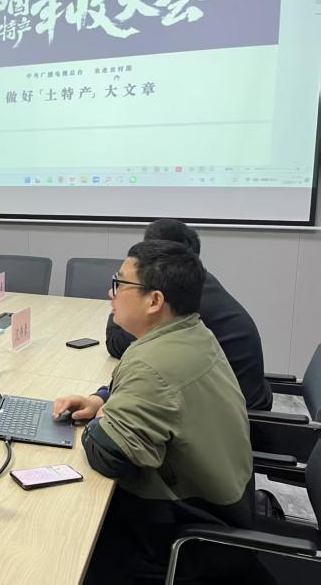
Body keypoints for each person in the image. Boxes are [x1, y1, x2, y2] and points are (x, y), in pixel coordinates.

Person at [54, 241, 260, 584]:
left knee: (63, 537)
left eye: (120, 283)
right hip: (224, 501)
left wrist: (102, 420)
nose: (110, 292)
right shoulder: (191, 331)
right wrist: (103, 400)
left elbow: (109, 455)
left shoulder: (153, 365)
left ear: (154, 300)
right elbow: (155, 393)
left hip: (183, 535)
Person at [106, 218, 272, 410]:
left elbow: (117, 344)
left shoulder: (179, 302)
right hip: (230, 397)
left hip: (244, 414)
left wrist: (119, 301)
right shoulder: (198, 285)